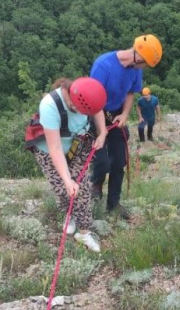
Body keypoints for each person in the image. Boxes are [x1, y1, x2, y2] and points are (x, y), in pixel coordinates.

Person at [89, 34, 163, 219]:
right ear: (138, 55)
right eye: (145, 63)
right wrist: (102, 130)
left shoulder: (135, 69)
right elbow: (94, 99)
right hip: (95, 112)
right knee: (102, 161)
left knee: (119, 162)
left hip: (115, 114)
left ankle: (113, 204)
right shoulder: (103, 65)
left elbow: (130, 92)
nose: (145, 67)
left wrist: (124, 114)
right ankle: (95, 187)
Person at [30, 77, 108, 252]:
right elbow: (55, 148)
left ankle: (84, 231)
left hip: (78, 143)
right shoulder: (50, 105)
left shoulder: (88, 94)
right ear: (73, 103)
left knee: (81, 187)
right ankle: (69, 215)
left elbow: (97, 110)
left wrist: (102, 133)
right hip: (49, 151)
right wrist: (67, 180)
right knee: (63, 187)